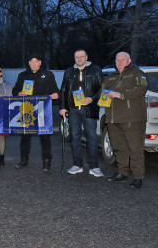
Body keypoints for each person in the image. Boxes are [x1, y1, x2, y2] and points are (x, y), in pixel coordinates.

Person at [103, 52, 147, 188]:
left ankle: (138, 177)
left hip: (132, 119)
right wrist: (101, 100)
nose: (120, 62)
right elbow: (103, 92)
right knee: (118, 147)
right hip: (113, 119)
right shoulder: (111, 77)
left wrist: (121, 95)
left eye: (123, 60)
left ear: (129, 60)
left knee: (135, 148)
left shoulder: (137, 73)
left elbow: (142, 89)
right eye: (118, 60)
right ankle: (122, 172)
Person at [59, 50, 104, 177]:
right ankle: (77, 165)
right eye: (77, 57)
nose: (79, 59)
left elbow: (102, 88)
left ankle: (94, 167)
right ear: (74, 58)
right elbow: (63, 90)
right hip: (73, 110)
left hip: (88, 109)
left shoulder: (95, 70)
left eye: (81, 57)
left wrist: (92, 99)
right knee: (75, 138)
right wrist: (63, 107)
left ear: (86, 57)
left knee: (92, 138)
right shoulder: (69, 72)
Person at [12, 53, 59, 172]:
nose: (34, 63)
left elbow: (55, 90)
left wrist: (56, 95)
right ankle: (23, 160)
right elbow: (15, 90)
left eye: (36, 61)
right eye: (31, 61)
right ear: (28, 63)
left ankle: (46, 162)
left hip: (43, 110)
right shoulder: (22, 75)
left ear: (40, 62)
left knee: (45, 137)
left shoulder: (48, 75)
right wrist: (19, 93)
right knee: (25, 138)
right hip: (27, 110)